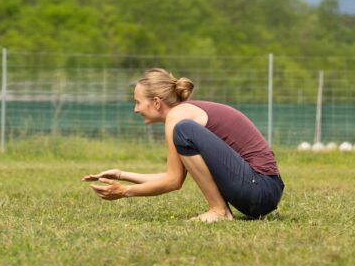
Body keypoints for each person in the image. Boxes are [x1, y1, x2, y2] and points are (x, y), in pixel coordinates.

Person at [83, 68, 284, 222]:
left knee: (183, 129)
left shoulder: (178, 118)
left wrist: (124, 192)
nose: (135, 109)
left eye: (137, 102)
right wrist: (120, 175)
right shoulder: (183, 114)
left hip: (260, 189)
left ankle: (219, 211)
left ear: (155, 102)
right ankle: (219, 209)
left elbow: (172, 183)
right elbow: (174, 178)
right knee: (184, 130)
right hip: (260, 192)